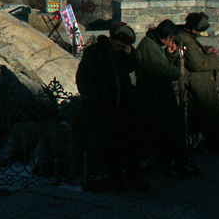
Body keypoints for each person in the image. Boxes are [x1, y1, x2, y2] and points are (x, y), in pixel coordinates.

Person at [76, 21, 145, 191]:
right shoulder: (95, 52)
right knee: (111, 148)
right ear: (113, 40)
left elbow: (131, 67)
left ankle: (135, 180)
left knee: (129, 147)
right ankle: (116, 181)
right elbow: (83, 77)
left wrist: (130, 53)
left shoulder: (120, 54)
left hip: (123, 107)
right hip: (106, 107)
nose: (121, 48)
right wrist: (93, 99)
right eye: (120, 45)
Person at [135, 19, 198, 176]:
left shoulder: (154, 45)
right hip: (154, 95)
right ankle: (167, 163)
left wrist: (170, 55)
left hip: (159, 94)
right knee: (165, 131)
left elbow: (161, 63)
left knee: (168, 130)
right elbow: (160, 70)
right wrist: (177, 72)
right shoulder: (149, 46)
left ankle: (170, 161)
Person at [176, 12, 219, 153]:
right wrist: (213, 56)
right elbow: (198, 63)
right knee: (210, 114)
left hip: (200, 80)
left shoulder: (186, 38)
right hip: (199, 81)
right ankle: (217, 145)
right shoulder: (187, 40)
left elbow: (194, 54)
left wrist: (205, 50)